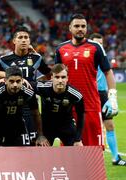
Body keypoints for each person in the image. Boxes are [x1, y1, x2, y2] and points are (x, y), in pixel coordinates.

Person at [55, 13, 118, 147]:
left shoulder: (95, 47)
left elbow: (108, 71)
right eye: (77, 26)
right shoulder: (61, 49)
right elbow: (56, 75)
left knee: (94, 149)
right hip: (68, 107)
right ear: (70, 28)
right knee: (68, 149)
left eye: (83, 26)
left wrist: (112, 96)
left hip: (91, 106)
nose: (80, 29)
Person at [0, 26, 51, 144]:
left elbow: (49, 74)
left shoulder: (36, 58)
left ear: (29, 41)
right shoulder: (4, 59)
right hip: (10, 104)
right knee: (10, 141)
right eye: (20, 37)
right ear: (14, 41)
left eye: (26, 37)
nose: (23, 40)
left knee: (31, 140)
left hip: (29, 104)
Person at [0, 67, 49, 147]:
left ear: (22, 80)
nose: (15, 85)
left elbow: (36, 113)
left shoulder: (28, 92)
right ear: (5, 81)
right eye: (11, 81)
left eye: (18, 81)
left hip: (16, 125)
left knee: (22, 154)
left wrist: (40, 135)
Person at [90, 33, 125, 166]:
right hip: (90, 94)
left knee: (110, 125)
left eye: (101, 43)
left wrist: (112, 97)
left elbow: (109, 74)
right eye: (96, 43)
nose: (99, 46)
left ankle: (115, 157)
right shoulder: (87, 58)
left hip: (102, 94)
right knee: (88, 126)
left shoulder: (104, 59)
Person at [36, 64, 84, 146]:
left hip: (66, 125)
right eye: (57, 77)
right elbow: (26, 86)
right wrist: (40, 135)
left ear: (67, 78)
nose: (60, 80)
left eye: (63, 77)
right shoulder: (42, 87)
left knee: (75, 153)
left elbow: (81, 116)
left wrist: (78, 139)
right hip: (47, 126)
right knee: (41, 155)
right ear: (51, 78)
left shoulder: (76, 95)